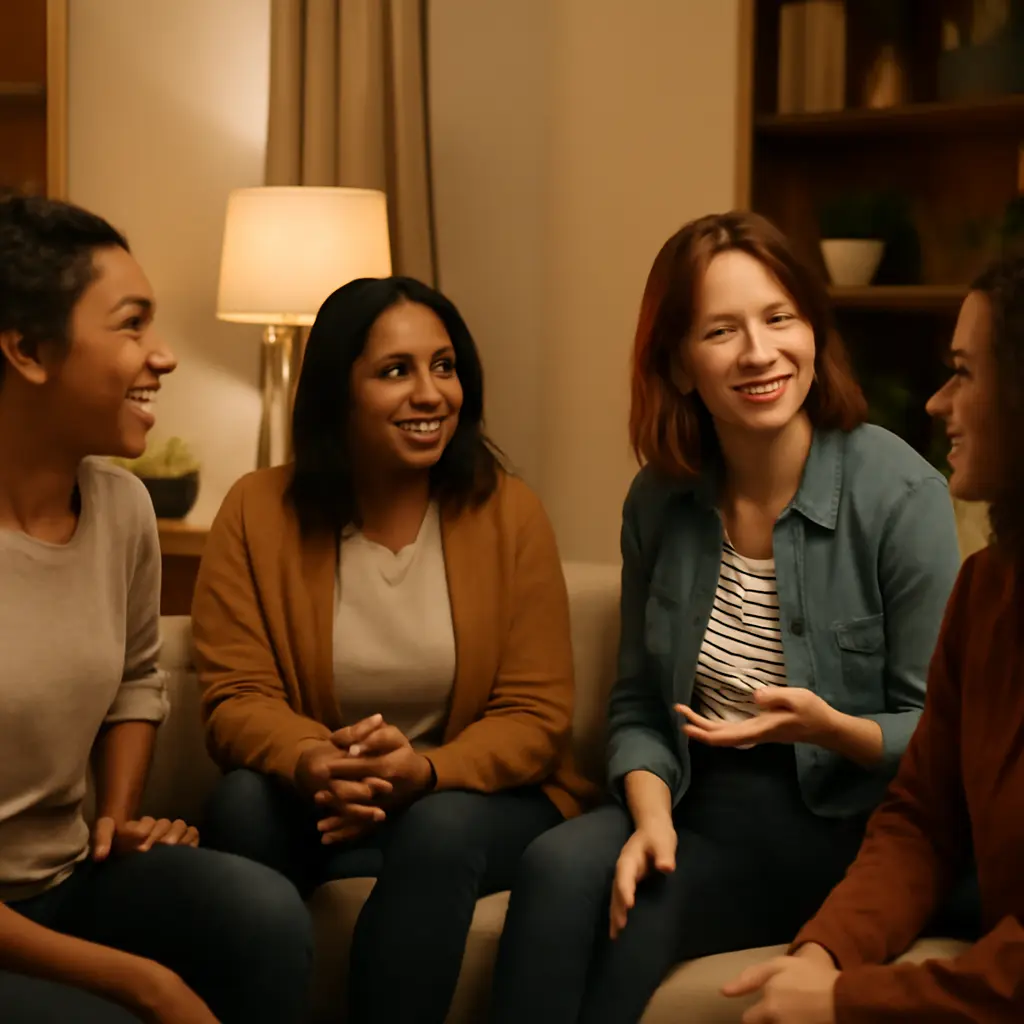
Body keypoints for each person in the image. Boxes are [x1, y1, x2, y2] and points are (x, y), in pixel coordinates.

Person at [489, 211, 963, 1024]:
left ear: (812, 329)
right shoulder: (660, 501)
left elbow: (945, 734)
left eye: (780, 318)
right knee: (556, 868)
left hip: (840, 825)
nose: (759, 352)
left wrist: (832, 729)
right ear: (678, 363)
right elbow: (638, 702)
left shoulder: (900, 494)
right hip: (693, 798)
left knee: (638, 920)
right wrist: (648, 821)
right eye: (721, 330)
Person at [192, 275, 594, 1024]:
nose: (431, 393)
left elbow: (537, 716)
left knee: (440, 828)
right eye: (395, 371)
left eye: (444, 367)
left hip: (473, 802)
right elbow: (234, 697)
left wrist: (427, 772)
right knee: (242, 804)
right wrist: (319, 761)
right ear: (337, 391)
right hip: (329, 798)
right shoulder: (255, 511)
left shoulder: (509, 513)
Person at [0, 194, 313, 1023]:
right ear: (29, 350)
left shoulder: (123, 511)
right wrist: (148, 982)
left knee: (265, 916)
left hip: (64, 881)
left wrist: (115, 818)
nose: (162, 356)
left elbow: (138, 682)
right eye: (131, 325)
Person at [723, 258, 1024, 1022]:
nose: (936, 401)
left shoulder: (893, 494)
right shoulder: (988, 586)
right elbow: (923, 816)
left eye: (963, 373)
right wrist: (823, 953)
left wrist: (845, 999)